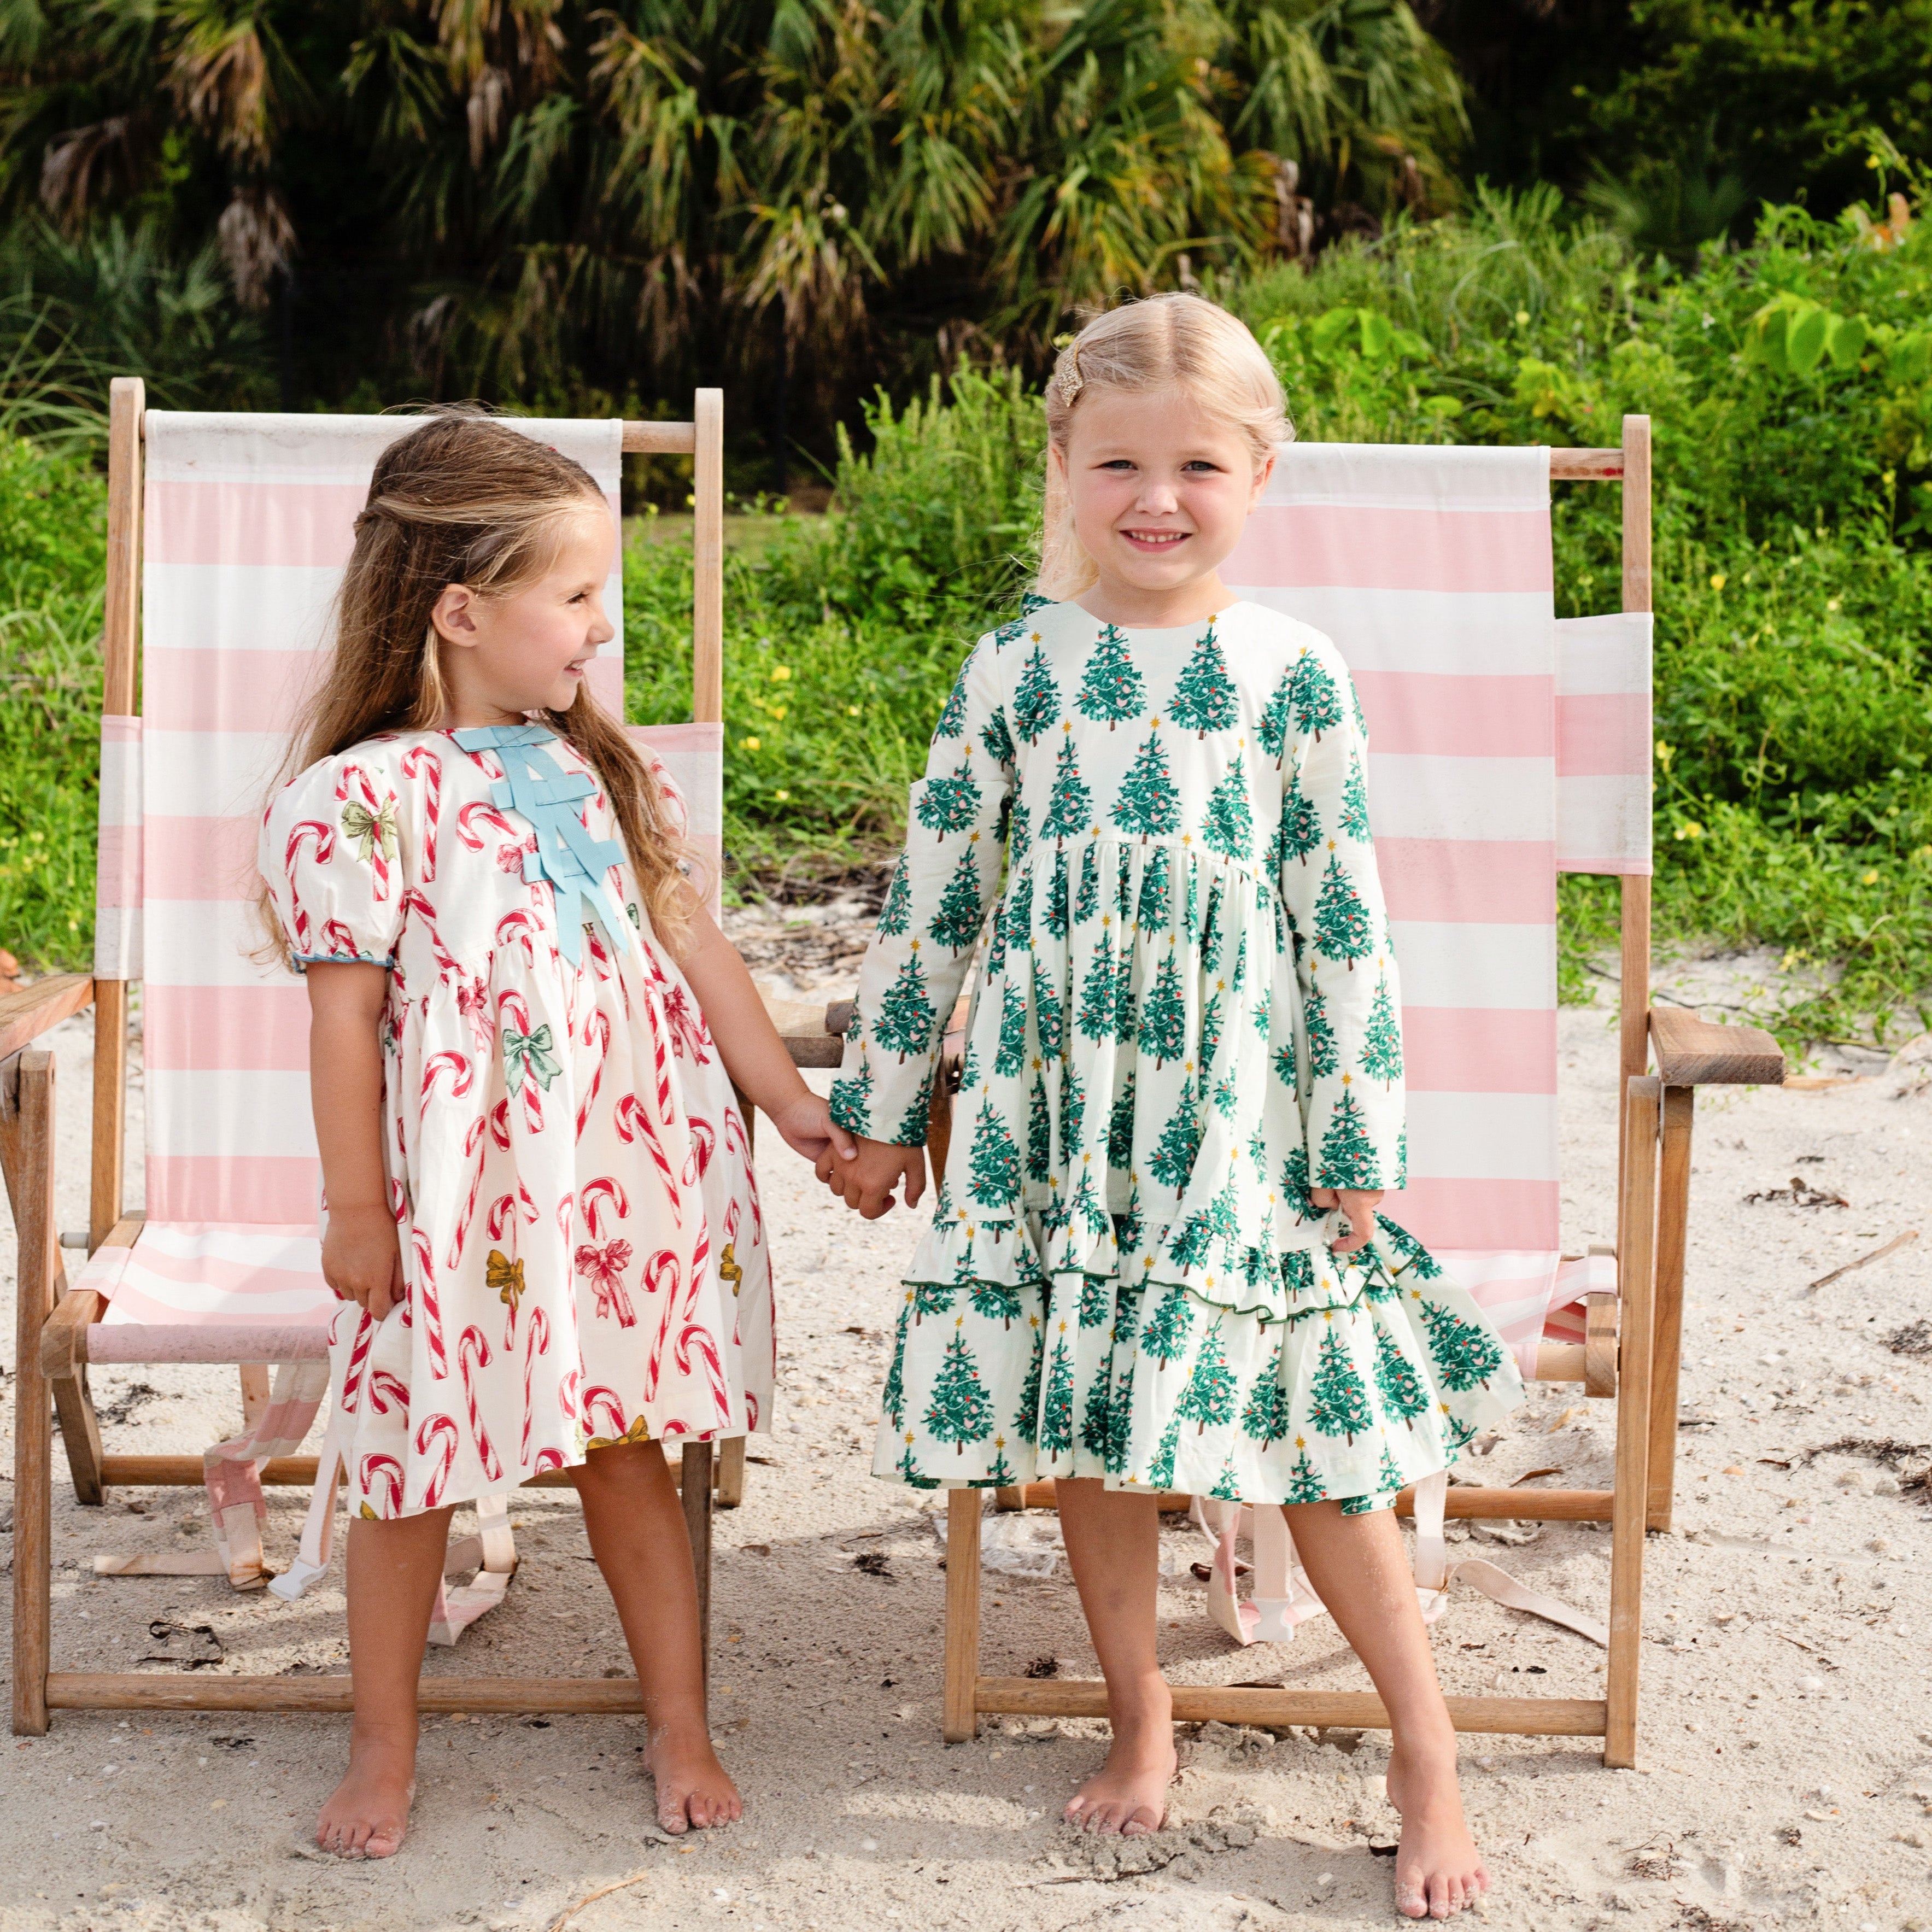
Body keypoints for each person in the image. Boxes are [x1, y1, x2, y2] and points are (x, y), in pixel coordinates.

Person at [819, 295, 1524, 1919]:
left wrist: (1355, 1137)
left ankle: (1426, 1746)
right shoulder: (1012, 665)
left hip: (1238, 1123)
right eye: (1119, 459)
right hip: (1051, 1114)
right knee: (1093, 1436)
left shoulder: (1292, 672)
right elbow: (936, 898)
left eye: (1199, 464)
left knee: (1319, 1437)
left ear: (1261, 474)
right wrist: (888, 1101)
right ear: (1062, 463)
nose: (1158, 497)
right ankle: (1145, 1720)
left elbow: (1341, 915)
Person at [259, 410, 851, 1858]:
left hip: (626, 1181)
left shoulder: (588, 764)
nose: (602, 625)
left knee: (628, 1449)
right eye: (577, 596)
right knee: (411, 1466)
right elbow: (344, 1025)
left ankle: (679, 1720)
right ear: (463, 613)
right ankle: (382, 1744)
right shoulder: (360, 800)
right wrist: (356, 1211)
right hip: (462, 1202)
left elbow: (693, 944)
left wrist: (789, 1103)